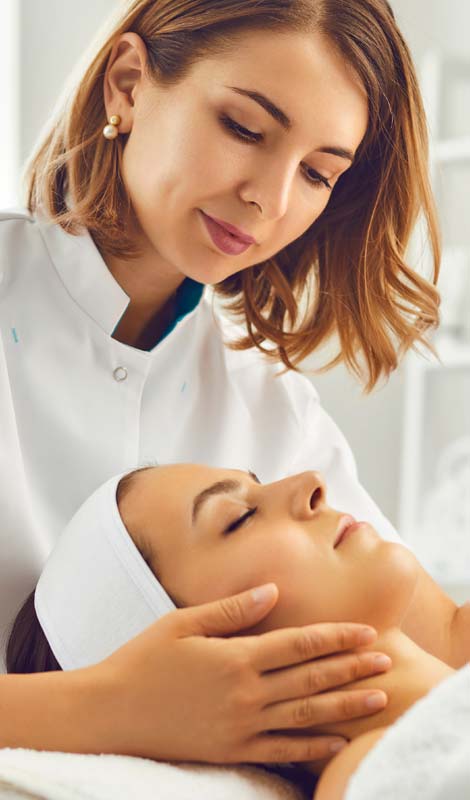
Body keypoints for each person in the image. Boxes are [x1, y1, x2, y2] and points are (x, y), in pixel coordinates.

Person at [0, 0, 451, 765]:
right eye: (244, 128)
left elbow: (440, 637)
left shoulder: (265, 401)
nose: (271, 200)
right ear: (128, 85)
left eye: (318, 173)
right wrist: (108, 708)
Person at [6, 462, 467, 799]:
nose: (310, 482)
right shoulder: (384, 776)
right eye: (239, 517)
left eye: (259, 483)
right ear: (204, 666)